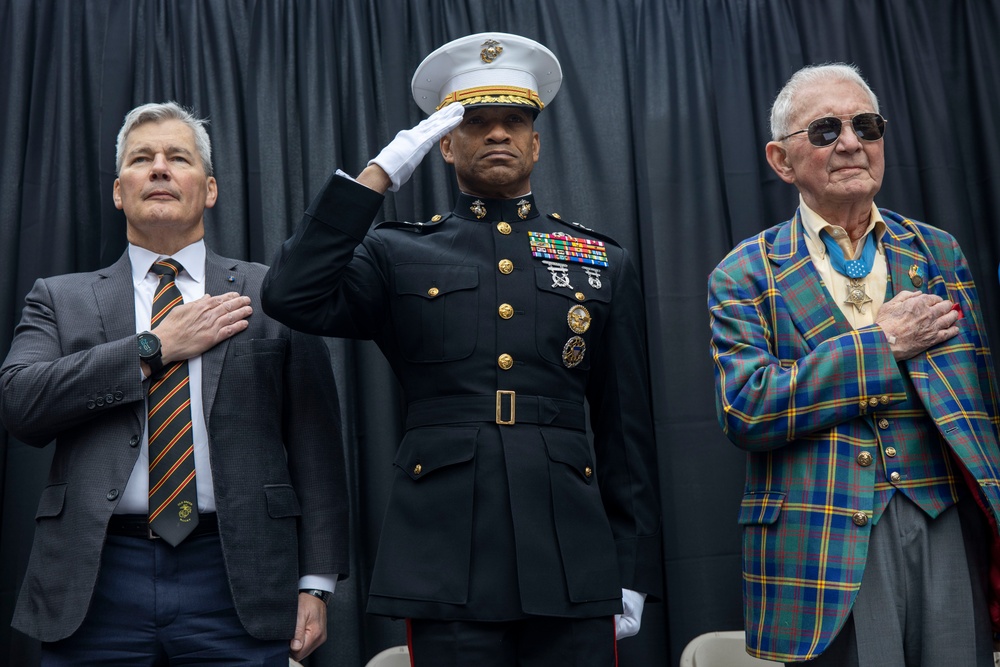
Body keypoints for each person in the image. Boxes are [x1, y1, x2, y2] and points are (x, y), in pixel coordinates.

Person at [261, 32, 662, 665]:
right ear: (445, 144)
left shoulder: (601, 260)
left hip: (571, 550)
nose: (498, 134)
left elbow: (626, 430)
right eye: (476, 123)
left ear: (536, 141)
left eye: (515, 121)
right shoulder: (397, 252)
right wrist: (376, 176)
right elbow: (290, 295)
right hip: (447, 550)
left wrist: (632, 566)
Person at [0, 102, 348, 665]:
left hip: (239, 577)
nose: (159, 168)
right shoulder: (59, 298)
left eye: (177, 158)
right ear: (119, 191)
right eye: (142, 159)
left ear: (208, 189)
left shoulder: (271, 295)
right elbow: (20, 403)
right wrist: (153, 348)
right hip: (96, 577)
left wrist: (316, 581)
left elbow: (316, 446)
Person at [708, 63, 1000, 666]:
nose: (850, 142)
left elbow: (982, 403)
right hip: (824, 538)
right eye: (824, 130)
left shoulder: (938, 251)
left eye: (866, 125)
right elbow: (747, 407)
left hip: (943, 518)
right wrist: (879, 346)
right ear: (781, 160)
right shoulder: (744, 270)